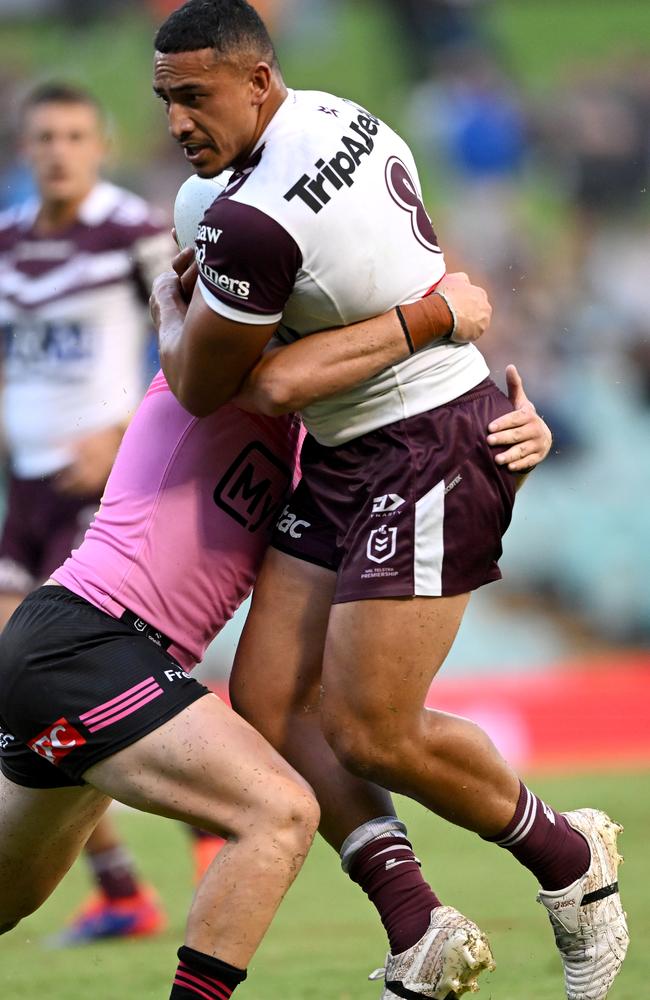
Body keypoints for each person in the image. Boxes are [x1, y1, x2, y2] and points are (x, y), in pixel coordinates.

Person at [149, 3, 628, 999]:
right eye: (164, 101)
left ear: (256, 82)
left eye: (195, 98)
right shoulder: (340, 113)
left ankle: (567, 862)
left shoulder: (240, 218)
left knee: (372, 729)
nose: (177, 123)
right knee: (269, 699)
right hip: (357, 443)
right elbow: (394, 287)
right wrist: (441, 316)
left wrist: (173, 313)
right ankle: (418, 922)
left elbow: (219, 387)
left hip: (426, 443)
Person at [0, 190, 550, 998]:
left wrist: (500, 442)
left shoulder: (322, 445)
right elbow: (273, 362)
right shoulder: (220, 381)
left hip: (83, 658)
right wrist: (433, 313)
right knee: (279, 814)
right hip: (91, 643)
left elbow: (395, 458)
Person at [0, 80, 222, 945]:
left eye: (74, 134)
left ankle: (204, 813)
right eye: (44, 135)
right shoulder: (10, 242)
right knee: (22, 690)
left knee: (86, 672)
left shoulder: (136, 232)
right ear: (26, 147)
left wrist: (128, 425)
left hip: (107, 489)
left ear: (99, 145)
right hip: (25, 490)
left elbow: (208, 339)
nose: (58, 149)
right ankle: (124, 886)